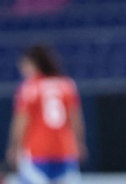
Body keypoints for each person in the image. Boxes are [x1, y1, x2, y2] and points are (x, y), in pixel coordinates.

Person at [5, 45, 87, 184]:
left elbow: (21, 121)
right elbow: (76, 119)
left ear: (34, 64)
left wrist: (14, 146)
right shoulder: (67, 85)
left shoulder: (29, 87)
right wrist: (80, 143)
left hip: (37, 152)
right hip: (65, 150)